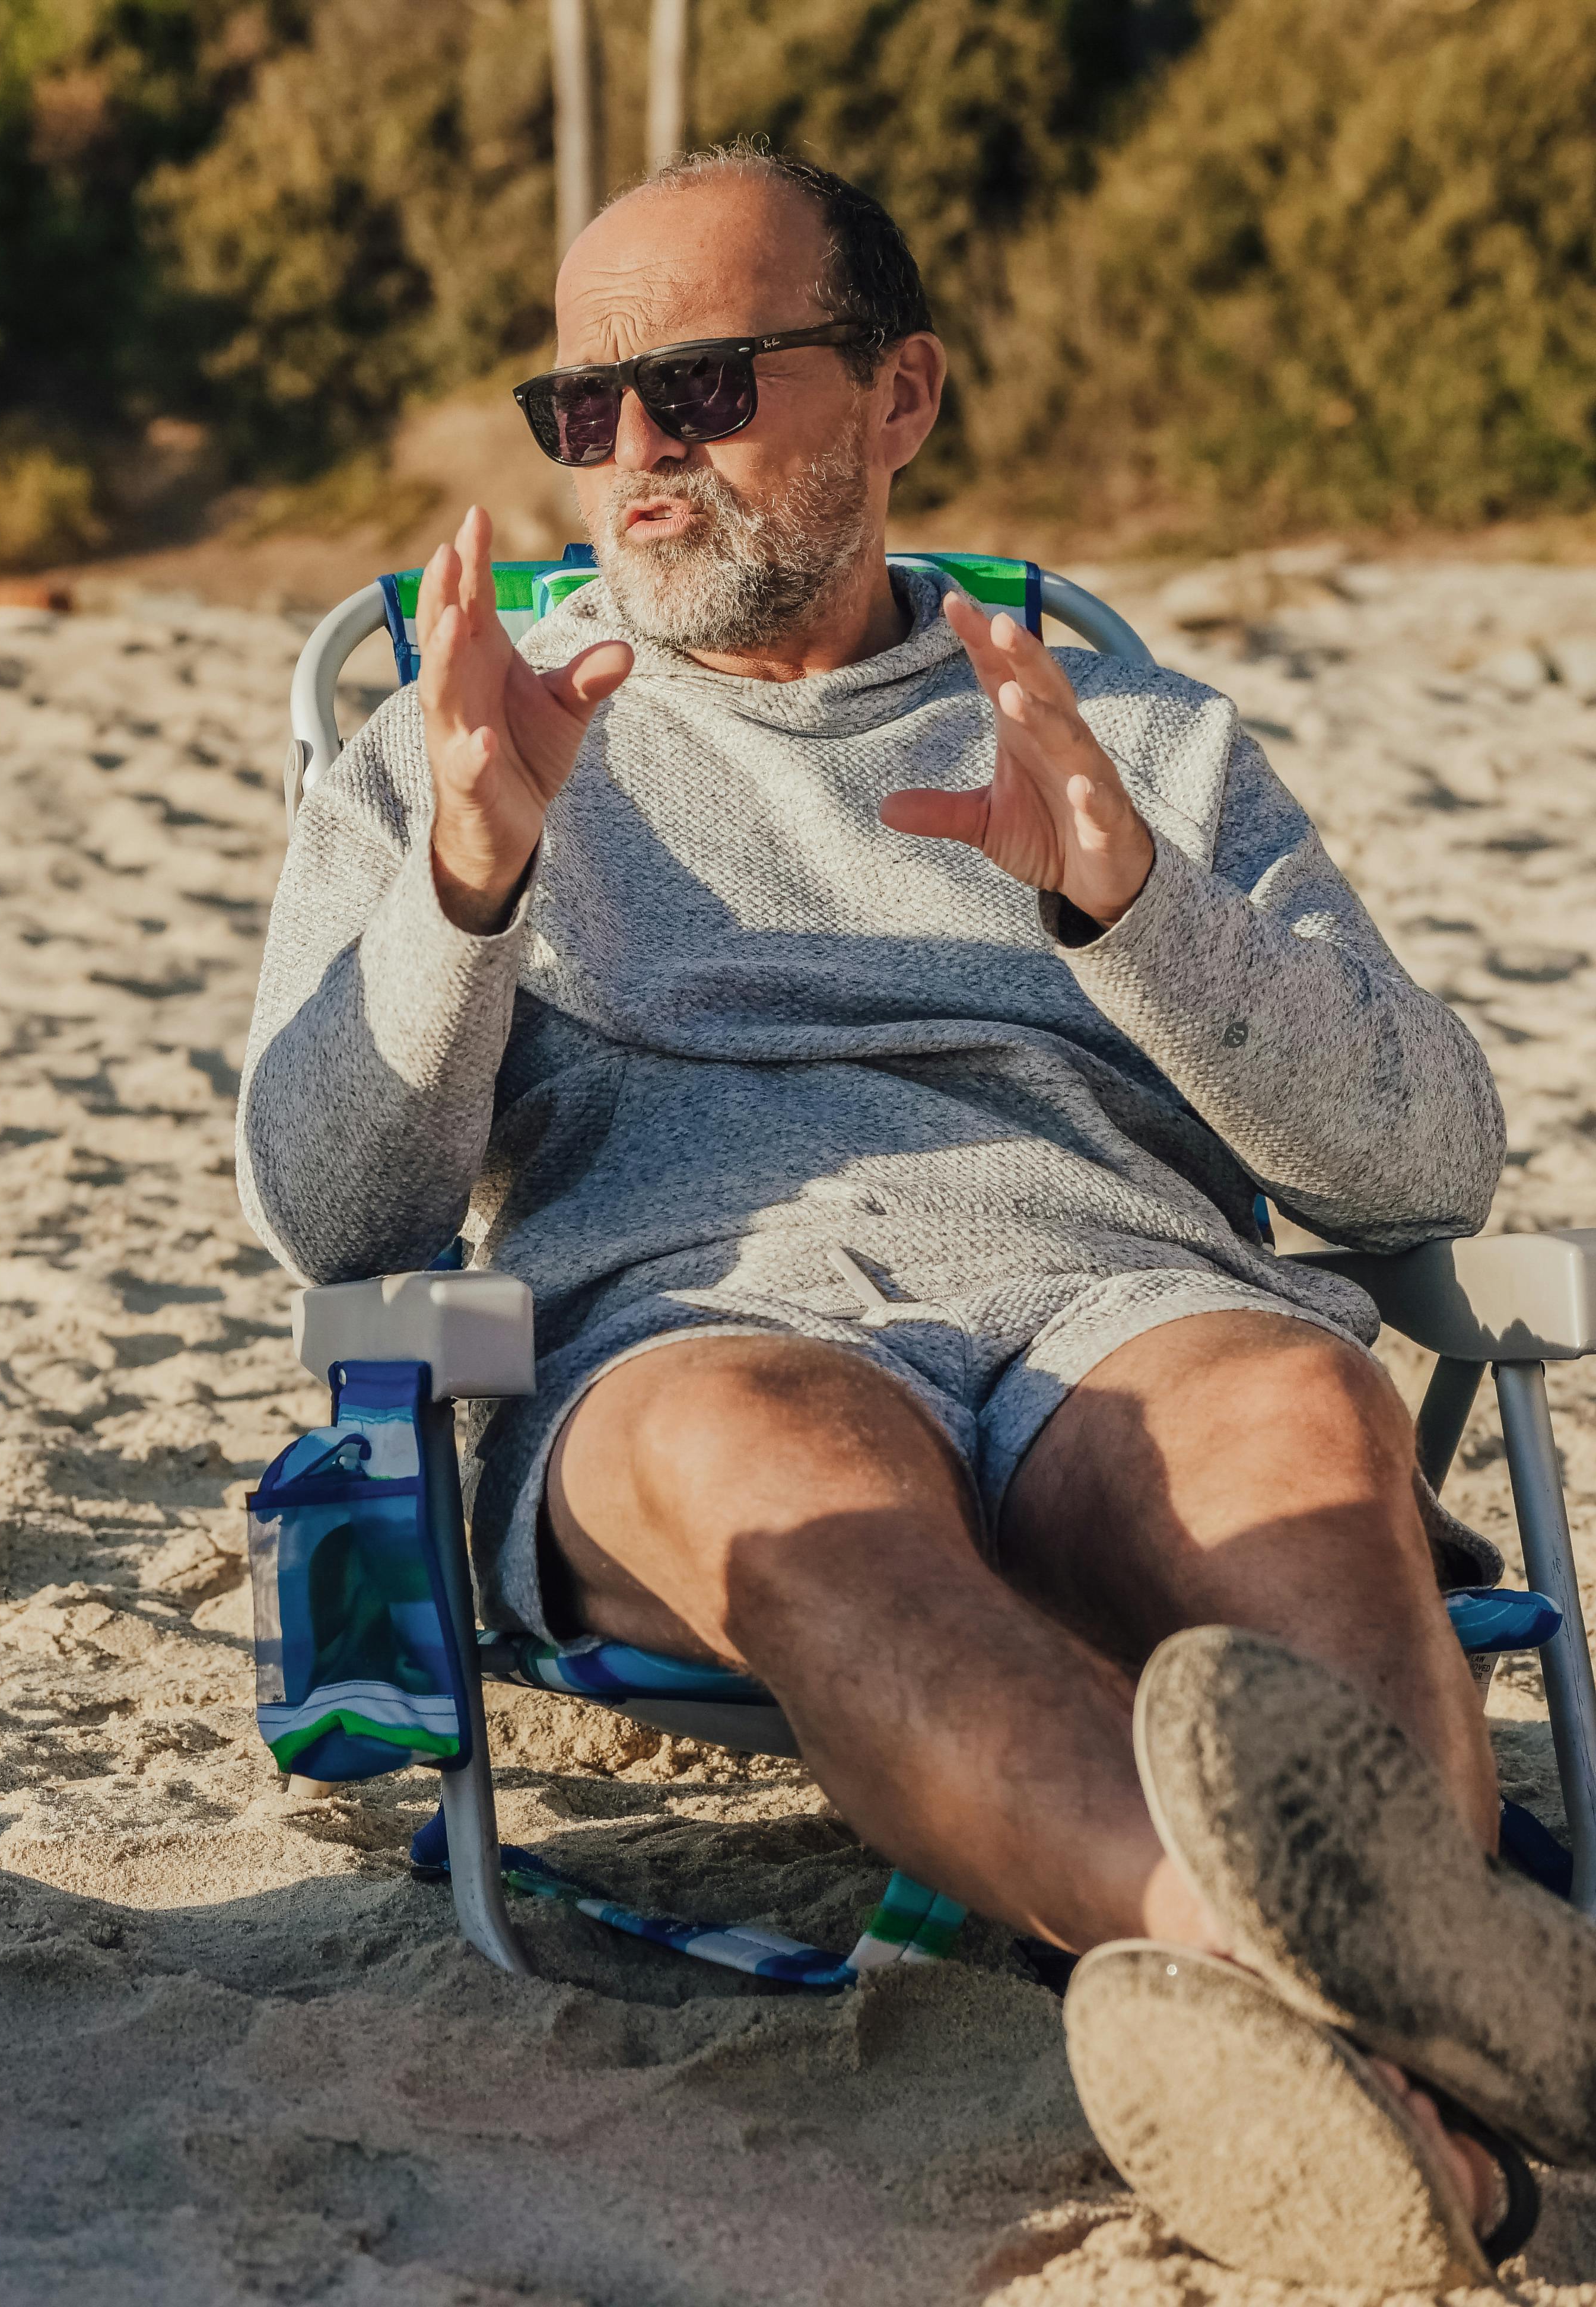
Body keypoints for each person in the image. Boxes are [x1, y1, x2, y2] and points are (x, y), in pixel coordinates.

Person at [238, 145, 1595, 2288]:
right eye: (581, 410)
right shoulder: (462, 742)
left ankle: (1378, 2069)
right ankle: (1395, 1997)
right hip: (691, 1328)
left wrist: (1136, 908)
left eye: (697, 386)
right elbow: (340, 1217)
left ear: (898, 399)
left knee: (1299, 1408)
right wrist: (464, 886)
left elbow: (1422, 1163)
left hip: (1116, 1299)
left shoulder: (1130, 738)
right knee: (785, 1469)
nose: (635, 458)